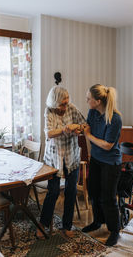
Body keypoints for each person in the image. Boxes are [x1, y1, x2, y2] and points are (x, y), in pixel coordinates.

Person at [36, 86, 86, 238]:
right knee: (53, 192)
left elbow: (84, 124)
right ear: (54, 103)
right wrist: (65, 129)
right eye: (62, 104)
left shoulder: (72, 108)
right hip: (54, 158)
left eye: (66, 103)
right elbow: (49, 133)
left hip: (71, 156)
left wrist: (77, 128)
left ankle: (67, 225)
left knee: (71, 192)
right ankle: (43, 224)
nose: (65, 107)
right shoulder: (49, 111)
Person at [82, 84, 122, 246]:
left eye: (88, 98)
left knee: (108, 197)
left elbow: (107, 145)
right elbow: (87, 127)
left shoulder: (115, 118)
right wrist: (81, 129)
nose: (87, 101)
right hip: (97, 160)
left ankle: (115, 230)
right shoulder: (93, 112)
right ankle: (98, 221)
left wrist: (87, 134)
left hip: (111, 163)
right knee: (93, 192)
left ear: (98, 101)